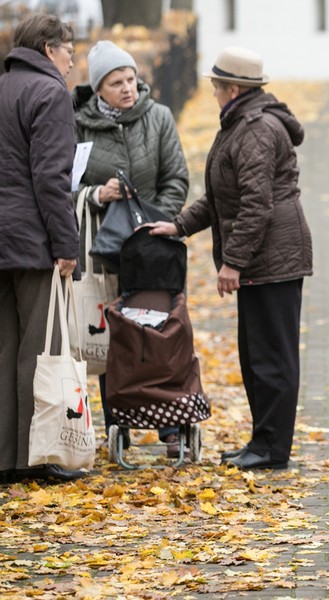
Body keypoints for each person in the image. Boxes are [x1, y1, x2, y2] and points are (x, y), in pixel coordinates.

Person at [147, 47, 312, 470]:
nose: (214, 94)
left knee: (271, 358)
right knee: (256, 357)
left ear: (233, 89)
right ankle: (262, 441)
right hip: (265, 256)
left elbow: (255, 204)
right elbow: (224, 197)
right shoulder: (240, 123)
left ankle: (272, 450)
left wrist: (233, 262)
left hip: (272, 260)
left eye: (216, 87)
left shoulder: (255, 129)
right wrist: (179, 225)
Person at [73, 40, 190, 458]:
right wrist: (97, 193)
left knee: (162, 331)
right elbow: (64, 184)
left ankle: (171, 425)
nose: (127, 88)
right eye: (116, 82)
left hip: (155, 247)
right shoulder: (79, 124)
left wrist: (158, 222)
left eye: (130, 79)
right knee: (114, 337)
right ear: (98, 88)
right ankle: (116, 421)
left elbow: (176, 177)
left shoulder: (158, 117)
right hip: (105, 250)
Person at [0, 14, 84, 484]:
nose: (73, 62)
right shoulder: (49, 93)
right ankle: (38, 456)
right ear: (50, 49)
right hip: (32, 240)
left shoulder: (3, 87)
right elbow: (51, 178)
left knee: (5, 348)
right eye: (70, 51)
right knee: (40, 348)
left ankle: (6, 458)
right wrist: (66, 245)